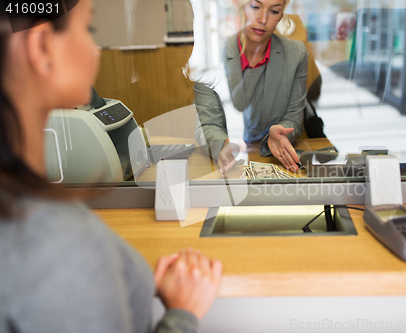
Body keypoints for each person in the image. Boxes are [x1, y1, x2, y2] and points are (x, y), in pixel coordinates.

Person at [0, 1, 222, 332]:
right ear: (42, 47)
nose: (97, 51)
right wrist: (181, 315)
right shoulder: (68, 251)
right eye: (88, 30)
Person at [194, 0, 308, 173]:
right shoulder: (210, 57)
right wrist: (225, 144)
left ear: (282, 14)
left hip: (271, 161)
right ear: (239, 5)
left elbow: (294, 118)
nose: (263, 19)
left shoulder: (296, 54)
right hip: (229, 167)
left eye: (274, 11)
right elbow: (206, 124)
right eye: (255, 7)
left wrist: (280, 134)